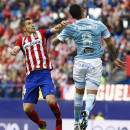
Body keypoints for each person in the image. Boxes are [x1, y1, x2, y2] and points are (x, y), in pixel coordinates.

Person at [51, 4, 126, 130]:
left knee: (79, 94)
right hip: (95, 62)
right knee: (91, 95)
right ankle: (86, 112)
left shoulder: (71, 27)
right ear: (83, 11)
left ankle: (75, 123)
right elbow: (109, 43)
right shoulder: (99, 25)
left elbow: (54, 42)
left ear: (72, 16)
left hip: (80, 63)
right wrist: (115, 58)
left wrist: (60, 28)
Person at [11, 17, 67, 130]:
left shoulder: (41, 33)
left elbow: (54, 29)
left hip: (44, 73)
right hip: (30, 77)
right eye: (29, 24)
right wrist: (14, 49)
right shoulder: (21, 40)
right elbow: (16, 47)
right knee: (27, 109)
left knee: (51, 101)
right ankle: (41, 125)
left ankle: (59, 121)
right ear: (24, 28)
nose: (32, 25)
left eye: (33, 23)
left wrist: (60, 25)